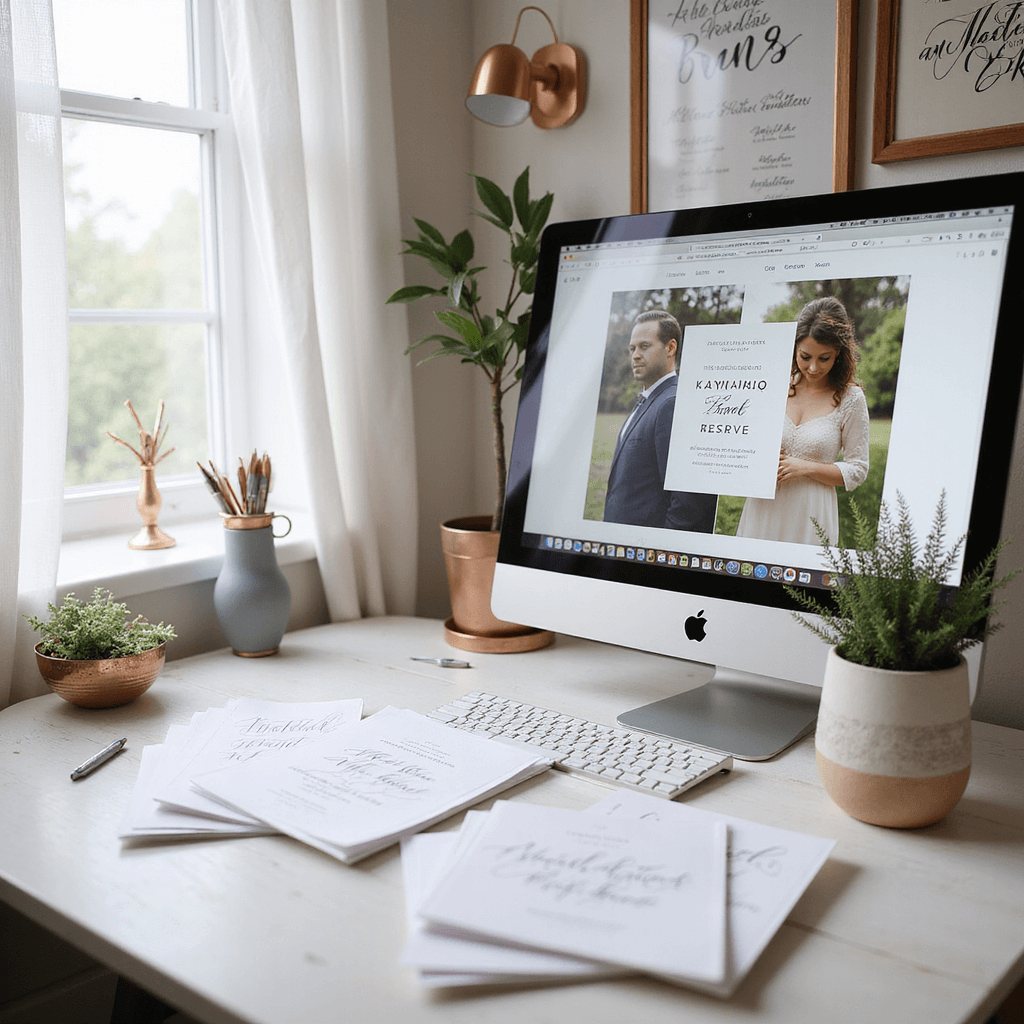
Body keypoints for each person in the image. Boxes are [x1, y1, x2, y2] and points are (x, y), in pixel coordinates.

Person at [736, 296, 869, 545]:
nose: (814, 368)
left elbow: (858, 468)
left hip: (812, 514)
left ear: (839, 353)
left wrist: (806, 467)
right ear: (794, 347)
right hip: (762, 508)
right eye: (805, 356)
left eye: (824, 358)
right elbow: (746, 439)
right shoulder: (773, 385)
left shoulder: (851, 399)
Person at [603, 310, 718, 532]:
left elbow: (690, 501)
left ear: (670, 348)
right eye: (632, 348)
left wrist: (660, 551)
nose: (635, 355)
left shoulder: (673, 404)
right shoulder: (651, 399)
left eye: (644, 346)